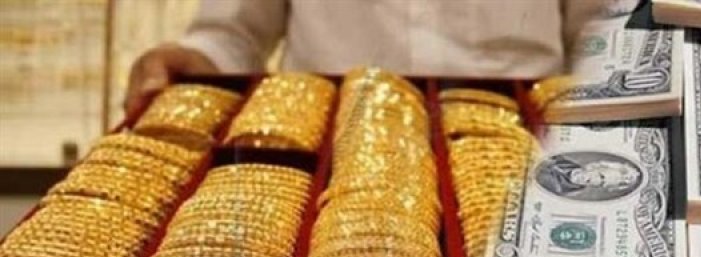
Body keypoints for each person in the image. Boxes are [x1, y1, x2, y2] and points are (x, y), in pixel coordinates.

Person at [124, 0, 612, 115]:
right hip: (329, 164)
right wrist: (197, 62)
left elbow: (601, 32)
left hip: (523, 154)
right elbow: (234, 33)